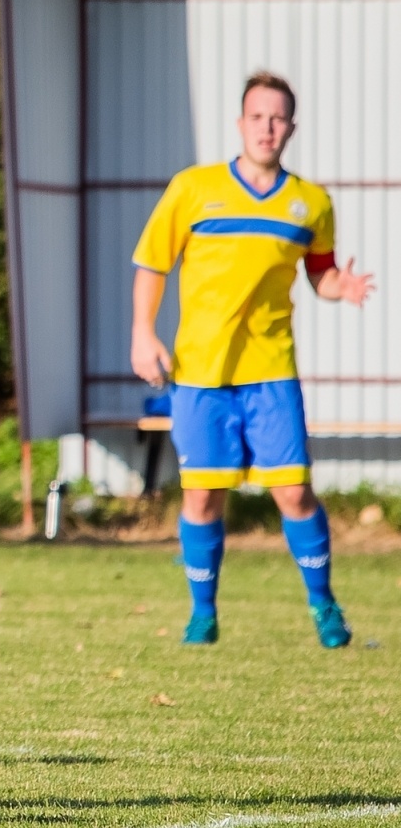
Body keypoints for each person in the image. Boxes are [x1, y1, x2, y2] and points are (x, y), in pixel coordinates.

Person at [130, 71, 376, 648]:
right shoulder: (192, 189)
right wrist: (144, 333)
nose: (268, 127)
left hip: (271, 373)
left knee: (293, 492)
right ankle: (203, 614)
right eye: (258, 116)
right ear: (240, 123)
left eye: (278, 117)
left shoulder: (310, 203)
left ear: (292, 127)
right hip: (200, 373)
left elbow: (321, 273)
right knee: (201, 495)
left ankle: (324, 607)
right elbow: (152, 263)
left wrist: (343, 286)